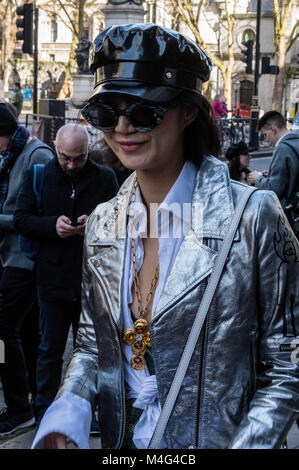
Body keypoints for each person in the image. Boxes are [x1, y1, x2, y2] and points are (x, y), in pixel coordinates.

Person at [32, 23, 298, 450]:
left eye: (143, 111)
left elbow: (287, 365)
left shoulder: (252, 217)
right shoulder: (101, 223)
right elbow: (89, 344)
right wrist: (69, 413)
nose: (122, 127)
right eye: (106, 112)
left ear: (187, 111)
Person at [14, 123, 119, 426]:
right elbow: (21, 219)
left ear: (89, 152)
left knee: (96, 353)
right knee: (50, 350)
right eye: (65, 158)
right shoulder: (40, 174)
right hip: (53, 278)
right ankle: (45, 412)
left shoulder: (105, 177)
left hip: (92, 282)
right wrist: (52, 226)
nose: (72, 165)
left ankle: (94, 413)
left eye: (79, 158)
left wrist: (95, 226)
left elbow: (121, 221)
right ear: (56, 149)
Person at [0, 102, 54, 436]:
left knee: (3, 330)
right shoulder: (10, 154)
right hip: (11, 256)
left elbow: (40, 217)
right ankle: (34, 402)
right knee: (27, 331)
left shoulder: (37, 156)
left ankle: (20, 408)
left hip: (27, 258)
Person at [249, 111, 299, 213]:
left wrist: (258, 179)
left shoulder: (282, 148)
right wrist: (271, 174)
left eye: (265, 135)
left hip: (289, 213)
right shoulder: (295, 141)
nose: (266, 140)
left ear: (273, 129)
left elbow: (274, 189)